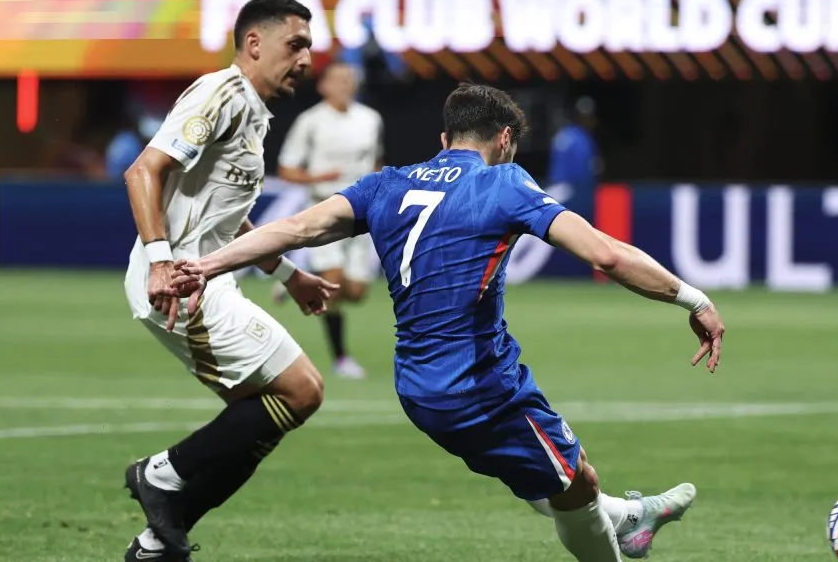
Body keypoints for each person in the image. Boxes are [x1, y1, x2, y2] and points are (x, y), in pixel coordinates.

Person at [170, 83, 726, 561]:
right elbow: (605, 254)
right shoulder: (503, 183)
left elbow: (295, 228)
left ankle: (633, 516)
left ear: (444, 140)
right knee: (577, 481)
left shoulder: (386, 184)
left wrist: (207, 264)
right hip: (479, 386)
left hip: (416, 388)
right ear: (505, 140)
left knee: (549, 473)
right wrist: (692, 299)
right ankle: (624, 527)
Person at [120, 0, 337, 561]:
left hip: (204, 276)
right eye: (297, 44)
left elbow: (226, 212)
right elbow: (144, 169)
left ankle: (158, 542)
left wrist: (288, 272)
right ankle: (162, 476)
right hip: (182, 284)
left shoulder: (253, 111)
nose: (307, 59)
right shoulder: (219, 94)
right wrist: (162, 259)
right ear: (254, 43)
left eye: (309, 47)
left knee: (263, 421)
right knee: (300, 390)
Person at [276, 60, 385, 379]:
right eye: (337, 79)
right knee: (334, 282)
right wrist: (316, 177)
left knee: (356, 293)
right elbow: (286, 168)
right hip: (325, 208)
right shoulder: (311, 122)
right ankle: (341, 358)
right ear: (323, 85)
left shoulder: (370, 119)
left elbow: (376, 161)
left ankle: (300, 274)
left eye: (349, 79)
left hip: (362, 213)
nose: (344, 85)